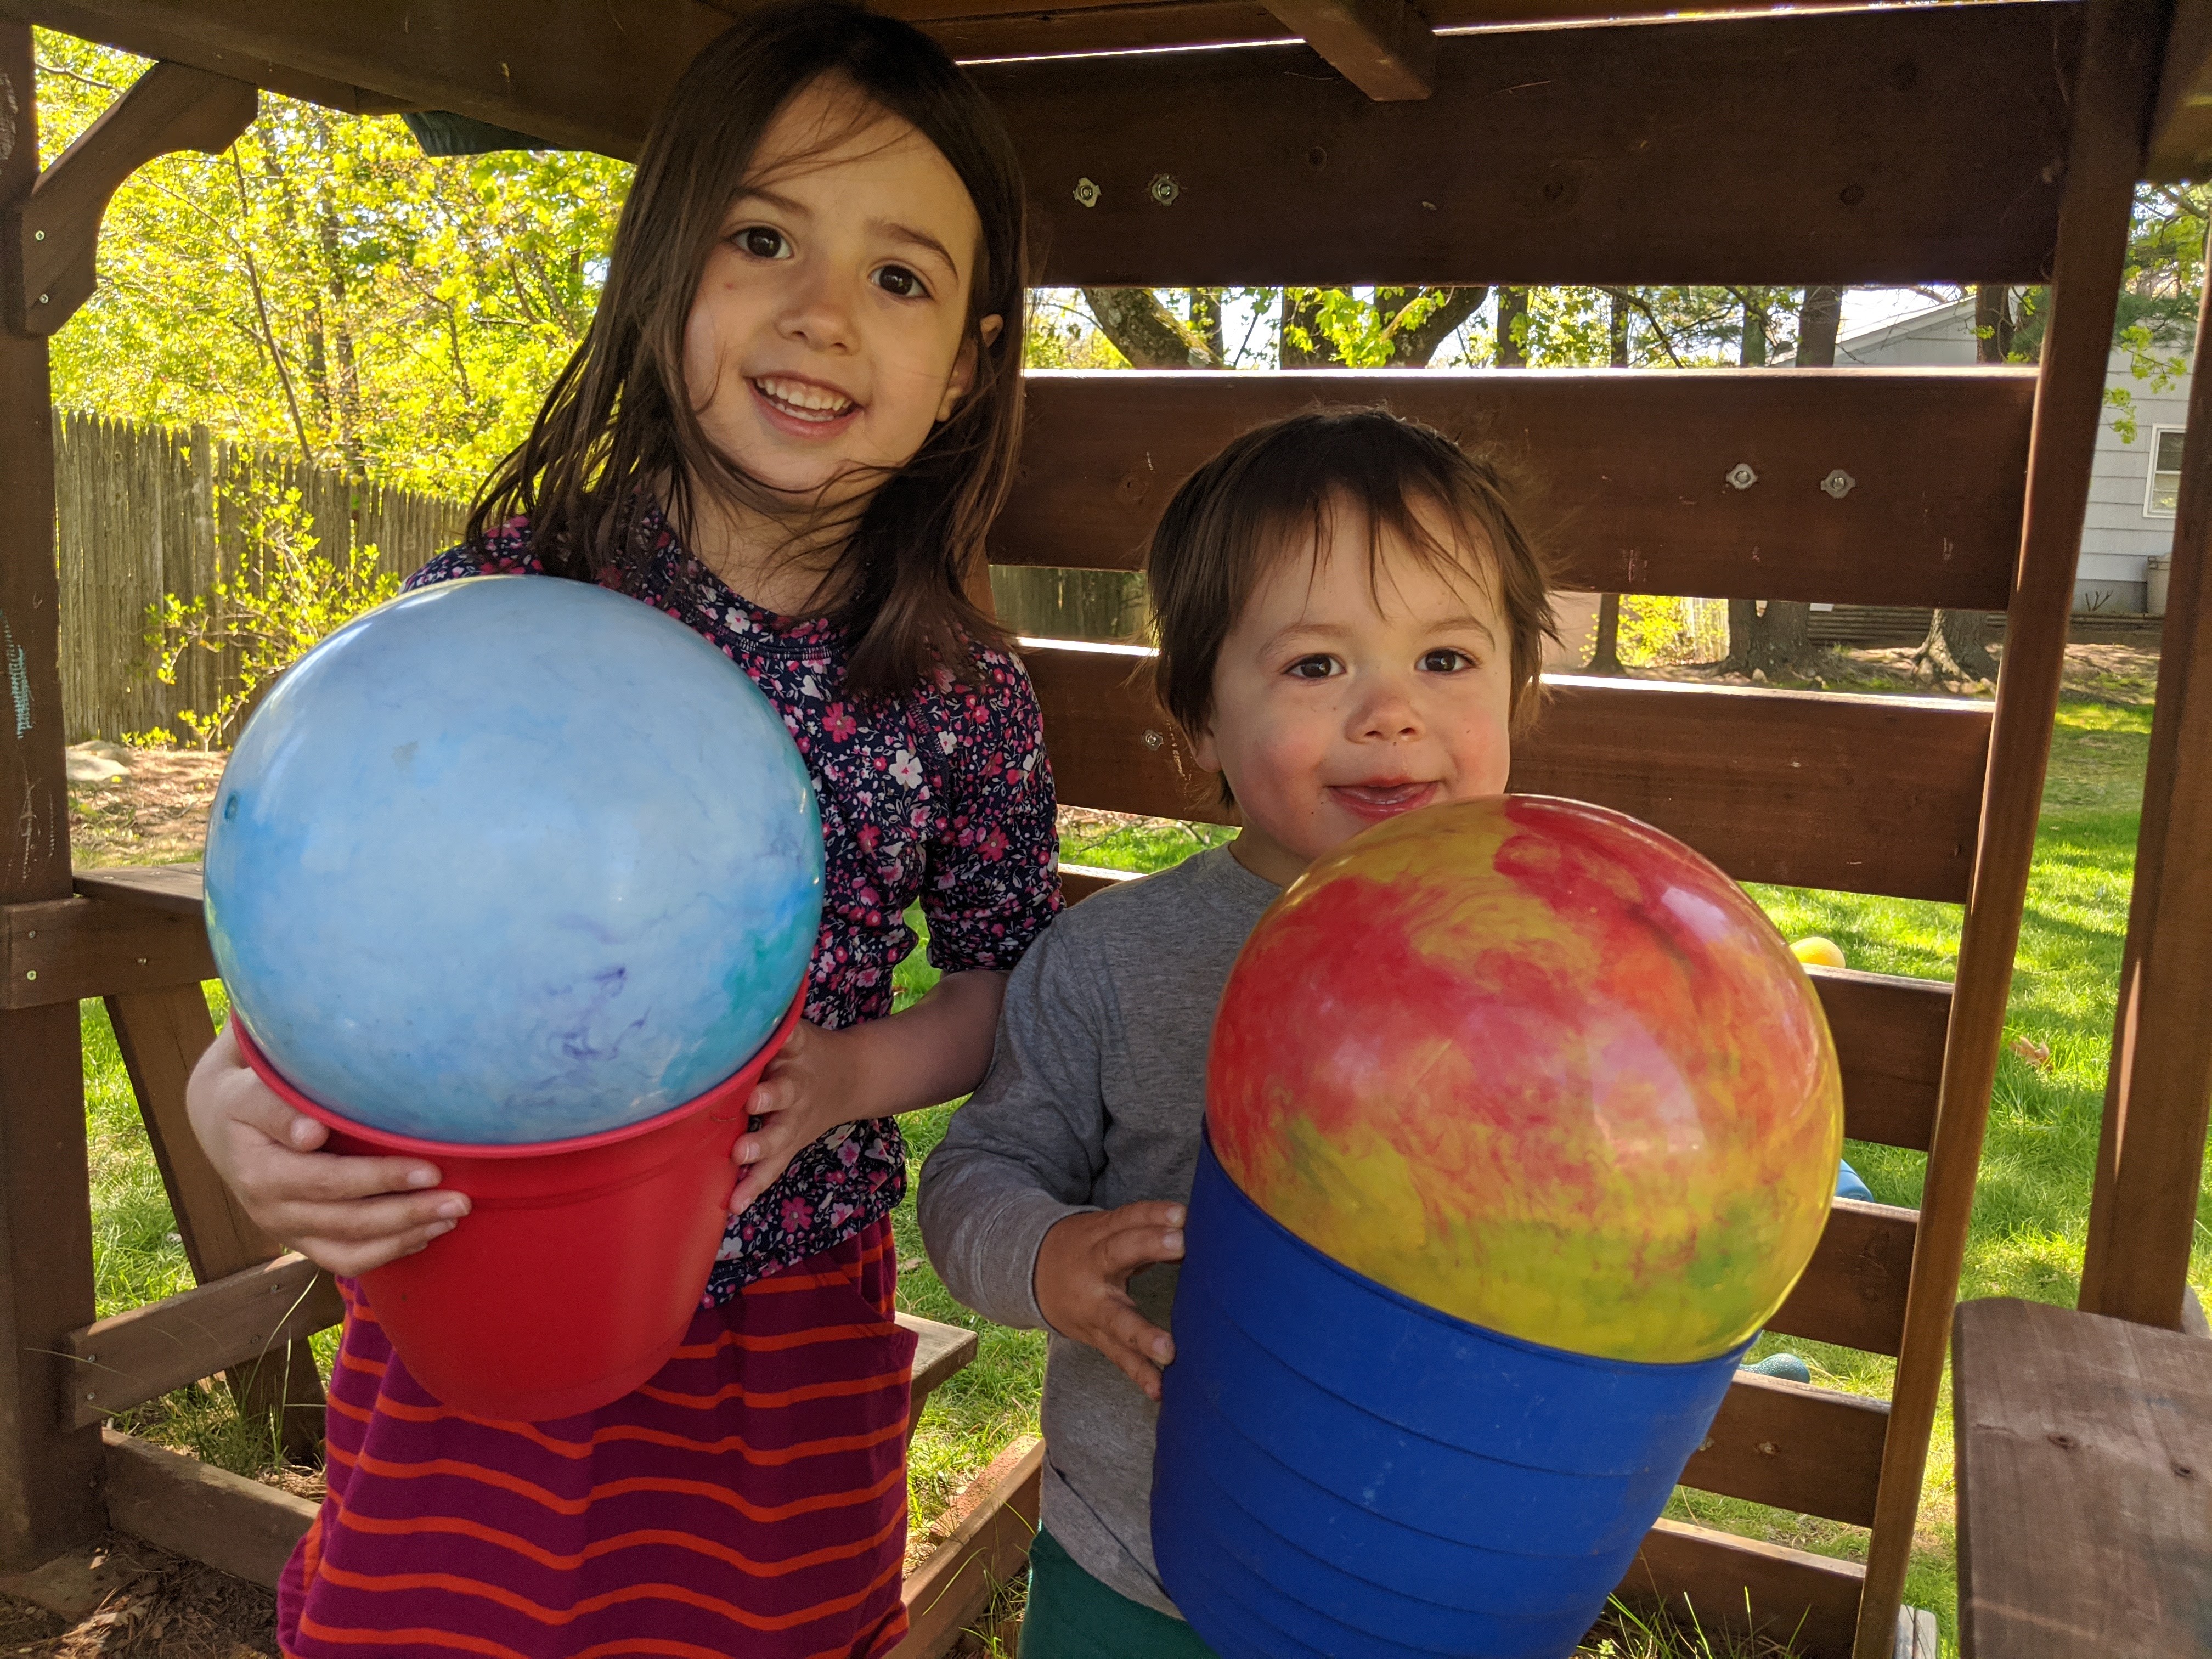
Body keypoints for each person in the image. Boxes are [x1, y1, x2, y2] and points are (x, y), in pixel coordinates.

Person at [183, 8, 1057, 1655]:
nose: (820, 312)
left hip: (787, 1328)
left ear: (965, 365)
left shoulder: (957, 692)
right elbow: (332, 917)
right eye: (762, 238)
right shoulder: (497, 612)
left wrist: (851, 1077)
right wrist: (229, 1097)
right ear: (663, 268)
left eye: (899, 276)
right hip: (473, 1277)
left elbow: (1002, 985)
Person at [919, 408, 1559, 1657]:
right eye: (1317, 667)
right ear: (1200, 717)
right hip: (1134, 1569)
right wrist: (1048, 1258)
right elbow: (974, 1173)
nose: (1391, 712)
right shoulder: (1110, 963)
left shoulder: (1559, 968)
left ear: (1521, 689)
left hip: (1431, 1566)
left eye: (1446, 658)